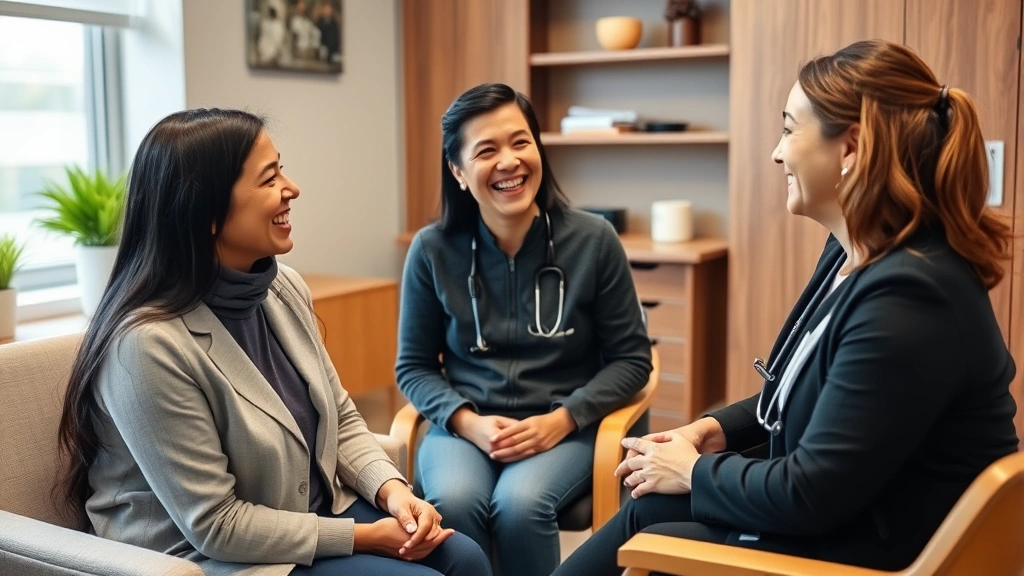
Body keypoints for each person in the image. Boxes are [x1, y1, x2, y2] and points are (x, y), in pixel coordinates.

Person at [554, 39, 1019, 575]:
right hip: (857, 515)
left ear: (851, 148)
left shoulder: (910, 297)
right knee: (648, 509)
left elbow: (810, 494)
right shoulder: (853, 253)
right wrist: (713, 431)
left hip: (881, 553)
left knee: (651, 530)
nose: (777, 153)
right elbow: (811, 395)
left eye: (789, 130)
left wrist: (692, 471)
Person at [55, 108, 490, 576]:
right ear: (208, 214)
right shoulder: (145, 346)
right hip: (210, 554)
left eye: (281, 169)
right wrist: (365, 537)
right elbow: (216, 524)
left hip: (306, 512)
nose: (292, 188)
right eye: (269, 179)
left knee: (465, 558)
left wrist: (394, 492)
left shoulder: (283, 287)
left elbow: (339, 418)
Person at [396, 82, 653, 576]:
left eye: (521, 142)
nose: (509, 162)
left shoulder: (593, 240)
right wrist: (465, 421)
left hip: (565, 425)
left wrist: (563, 418)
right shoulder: (431, 250)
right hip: (467, 425)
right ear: (458, 171)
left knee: (519, 504)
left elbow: (632, 360)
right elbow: (414, 366)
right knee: (453, 498)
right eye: (486, 150)